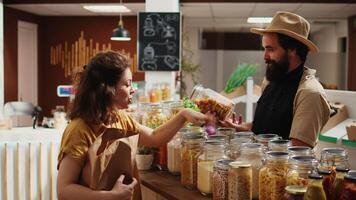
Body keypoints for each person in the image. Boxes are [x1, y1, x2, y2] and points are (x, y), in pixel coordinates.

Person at [57, 51, 213, 200]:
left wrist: (183, 114)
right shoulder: (79, 130)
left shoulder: (120, 118)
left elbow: (154, 137)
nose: (133, 90)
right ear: (107, 89)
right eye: (127, 84)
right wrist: (111, 197)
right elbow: (64, 190)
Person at [221, 11, 330, 147]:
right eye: (264, 49)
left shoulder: (309, 93)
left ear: (293, 50)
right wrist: (242, 129)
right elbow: (266, 129)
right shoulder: (269, 81)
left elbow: (298, 150)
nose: (265, 56)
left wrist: (252, 148)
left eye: (270, 49)